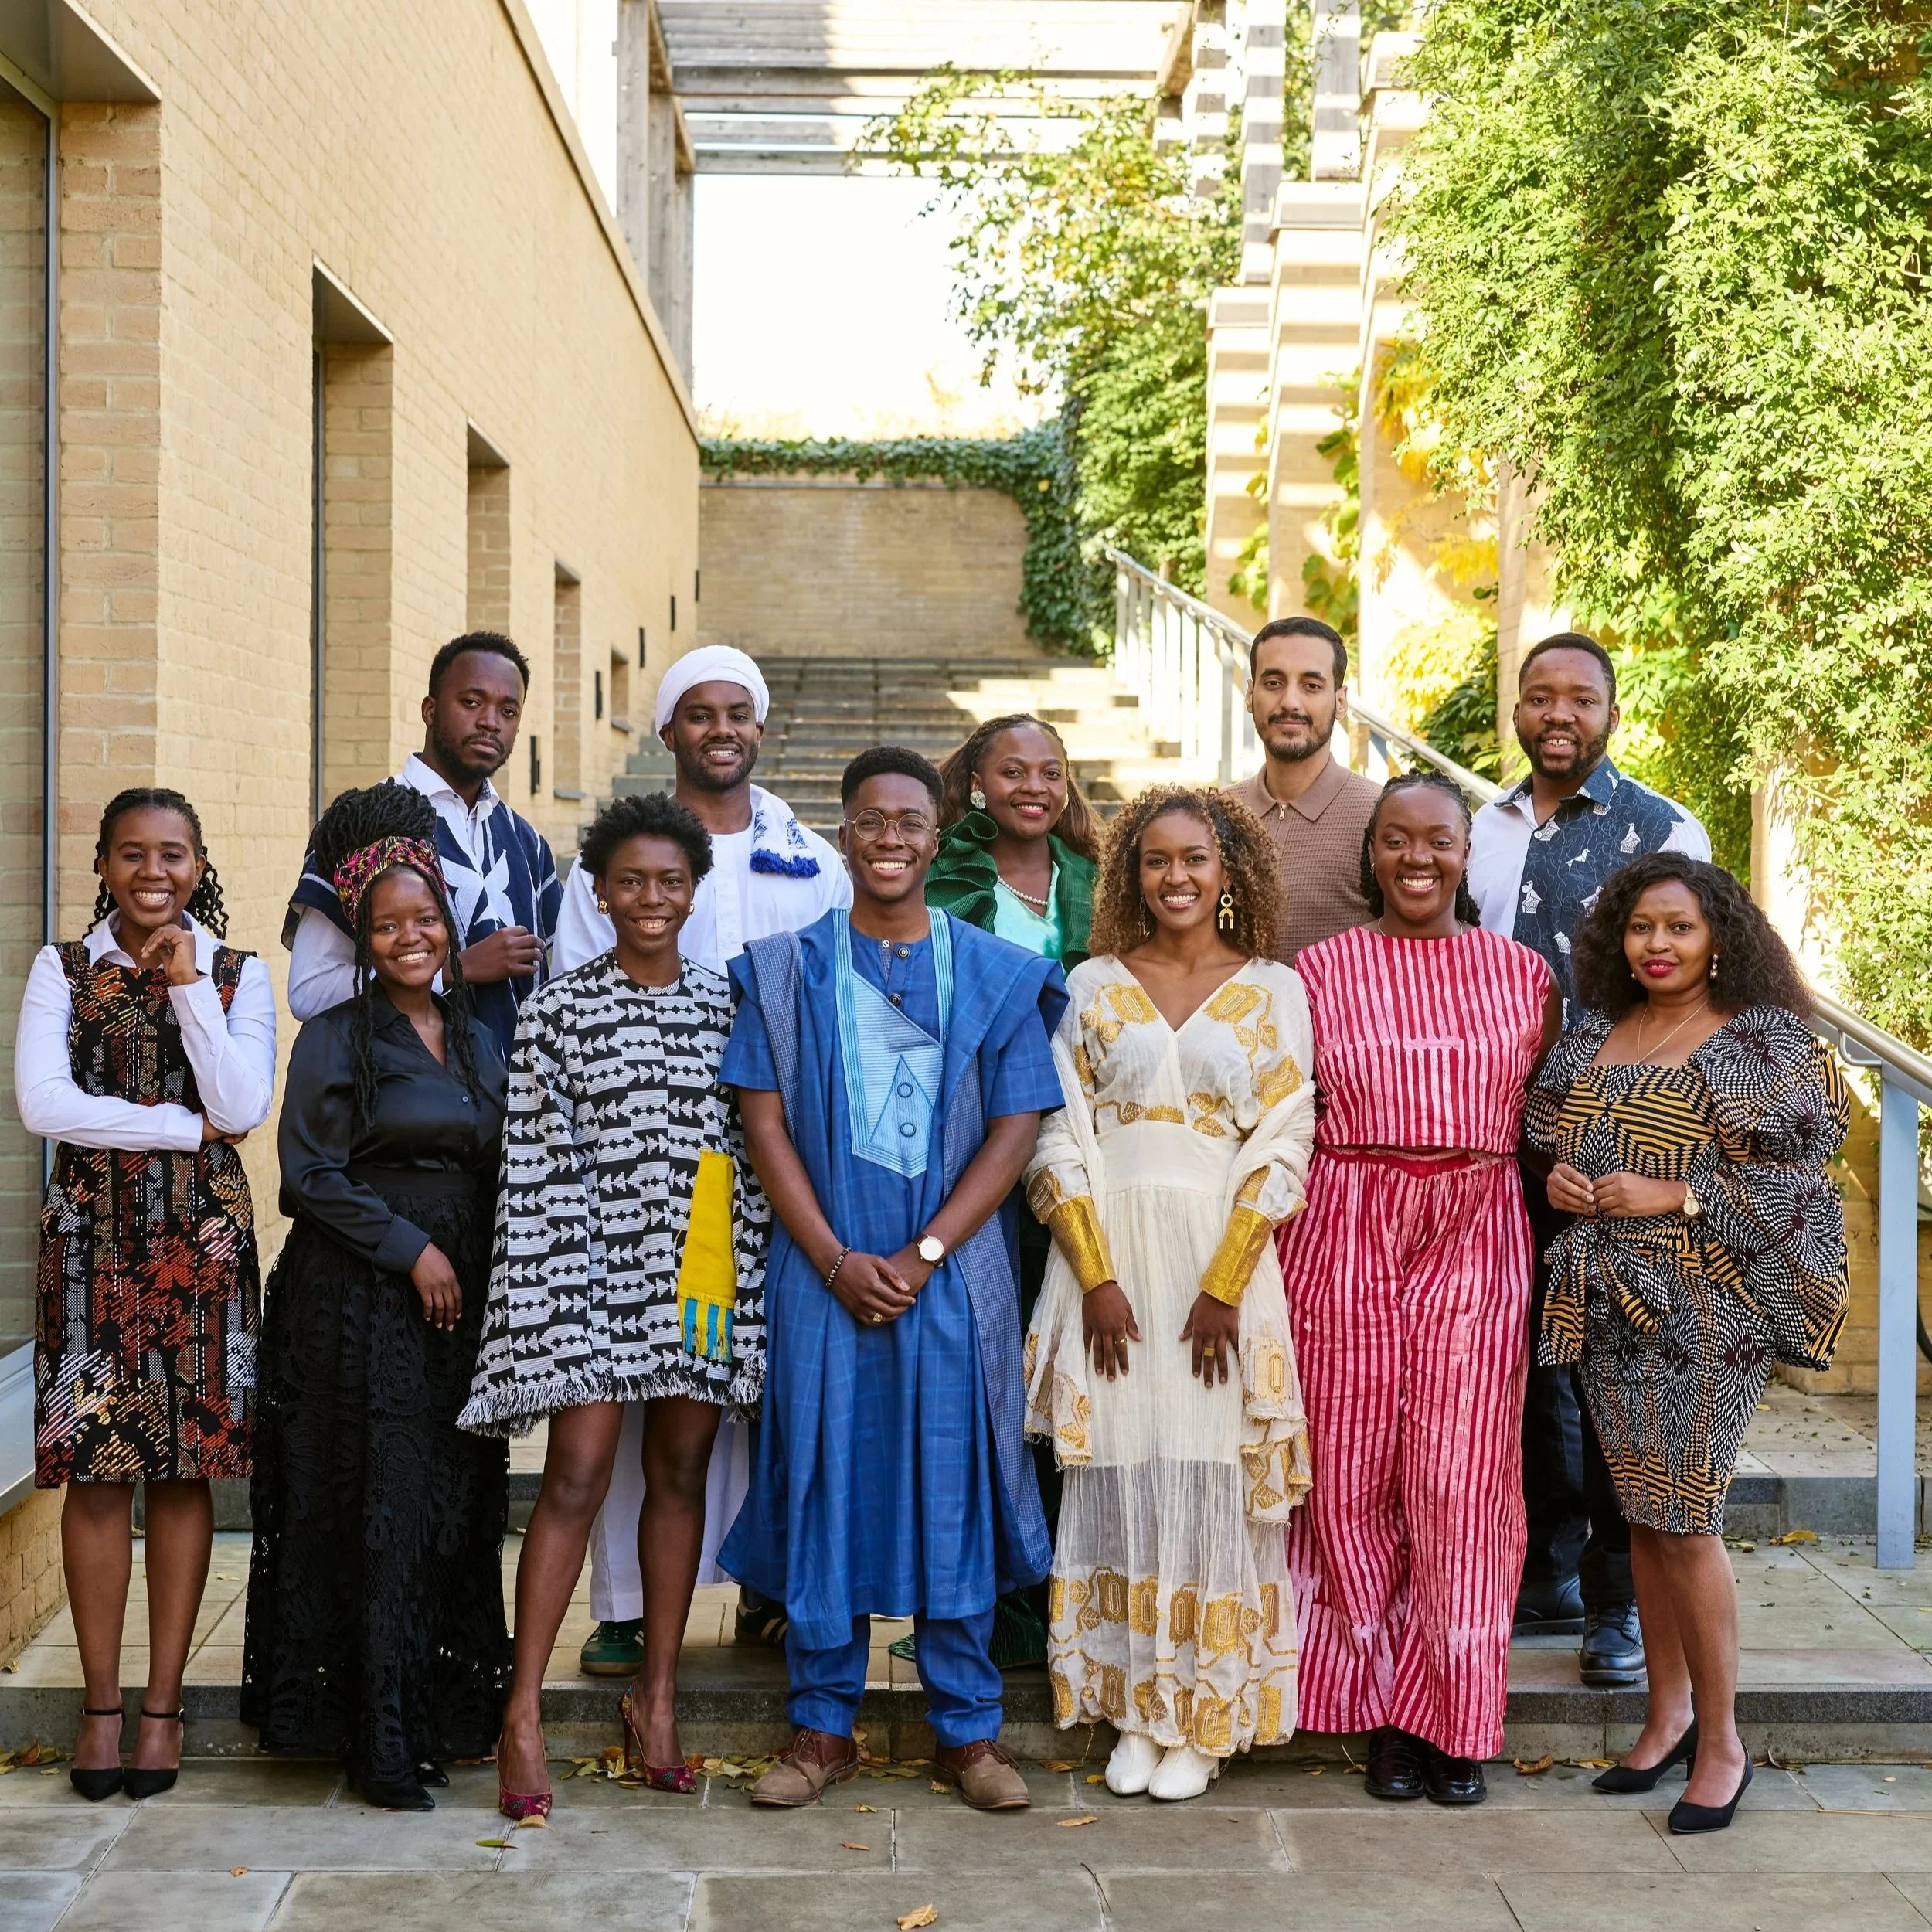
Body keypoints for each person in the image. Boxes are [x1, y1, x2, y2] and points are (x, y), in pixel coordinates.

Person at [721, 747, 1066, 1813]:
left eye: (910, 821)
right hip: (820, 1270)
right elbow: (763, 1125)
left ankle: (967, 1730)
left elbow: (1017, 1126)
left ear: (936, 835)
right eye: (871, 820)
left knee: (953, 1476)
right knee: (825, 1478)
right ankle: (822, 1725)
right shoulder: (786, 970)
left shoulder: (994, 972)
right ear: (844, 834)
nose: (890, 839)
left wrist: (925, 1253)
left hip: (950, 1278)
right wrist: (832, 1256)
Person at [460, 793, 770, 1819]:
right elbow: (536, 1167)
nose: (650, 897)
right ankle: (522, 1712)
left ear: (695, 890)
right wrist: (559, 1295)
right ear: (598, 892)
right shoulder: (557, 1009)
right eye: (630, 880)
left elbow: (748, 1159)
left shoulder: (731, 1004)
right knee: (578, 1473)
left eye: (670, 881)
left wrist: (736, 1285)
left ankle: (658, 1698)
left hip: (699, 1278)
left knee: (679, 1473)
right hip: (587, 1273)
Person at [1527, 855, 1848, 1834]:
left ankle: (1723, 1742)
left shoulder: (1757, 1039)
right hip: (1606, 1302)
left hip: (1707, 1305)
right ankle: (1665, 1715)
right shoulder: (1596, 1032)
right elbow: (1550, 1140)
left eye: (1678, 927)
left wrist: (1679, 1191)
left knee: (1686, 1514)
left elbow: (1801, 1185)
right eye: (1640, 928)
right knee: (1641, 1516)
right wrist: (1562, 1181)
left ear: (1718, 938)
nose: (1656, 945)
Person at [551, 643, 848, 1676]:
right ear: (668, 730)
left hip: (767, 1168)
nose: (721, 730)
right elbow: (577, 993)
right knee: (642, 1381)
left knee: (763, 1374)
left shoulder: (813, 860)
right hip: (639, 1168)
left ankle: (770, 1583)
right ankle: (627, 1606)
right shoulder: (616, 857)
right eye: (699, 713)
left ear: (759, 728)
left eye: (737, 714)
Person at [1024, 787, 1315, 1802]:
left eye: (1195, 858)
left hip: (1217, 1261)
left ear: (1227, 869)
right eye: (1156, 860)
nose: (1176, 876)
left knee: (1210, 1475)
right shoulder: (1092, 983)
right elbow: (1056, 1129)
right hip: (1110, 1261)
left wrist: (1225, 1284)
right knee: (1121, 1472)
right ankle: (1136, 1710)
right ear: (1130, 873)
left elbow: (1285, 1134)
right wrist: (1095, 1277)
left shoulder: (1275, 988)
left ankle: (1204, 1717)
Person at [1279, 771, 1557, 1808]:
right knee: (1347, 1473)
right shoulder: (1316, 971)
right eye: (1396, 838)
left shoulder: (1522, 974)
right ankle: (1385, 1714)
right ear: (1371, 852)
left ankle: (1456, 1717)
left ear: (1464, 853)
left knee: (1459, 1478)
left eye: (1437, 839)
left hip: (1476, 1225)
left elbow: (1551, 1115)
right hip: (1342, 1219)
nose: (1417, 857)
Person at [243, 784, 511, 1811]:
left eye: (425, 919)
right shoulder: (337, 1034)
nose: (410, 937)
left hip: (458, 1308)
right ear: (363, 936)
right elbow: (308, 1175)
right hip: (359, 1302)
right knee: (377, 1509)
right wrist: (414, 1252)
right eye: (388, 924)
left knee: (446, 1507)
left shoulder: (474, 1034)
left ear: (448, 925)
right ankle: (377, 1739)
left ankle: (440, 1715)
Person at [19, 790, 274, 1801]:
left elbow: (243, 1103)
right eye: (132, 853)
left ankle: (161, 1708)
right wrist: (180, 1128)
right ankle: (99, 1706)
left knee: (182, 1472)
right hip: (89, 1245)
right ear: (103, 865)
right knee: (94, 1474)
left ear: (199, 863)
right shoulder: (61, 969)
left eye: (172, 854)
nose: (153, 872)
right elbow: (44, 1104)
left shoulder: (236, 973)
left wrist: (187, 990)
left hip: (201, 1249)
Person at [1468, 631, 1713, 1688]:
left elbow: (1707, 977)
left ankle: (1618, 1604)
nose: (1558, 714)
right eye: (1539, 696)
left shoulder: (1664, 829)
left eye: (1580, 698)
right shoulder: (1479, 829)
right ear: (1516, 709)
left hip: (1628, 1145)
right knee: (1524, 1366)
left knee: (1618, 1373)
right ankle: (1544, 1571)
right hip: (1498, 1138)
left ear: (1612, 712)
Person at [925, 713, 1099, 1669]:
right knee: (987, 1368)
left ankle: (1065, 1583)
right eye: (1012, 770)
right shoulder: (945, 875)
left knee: (1061, 1359)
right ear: (976, 783)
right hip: (974, 1147)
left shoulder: (1099, 880)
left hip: (1082, 1143)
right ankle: (993, 1599)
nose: (1033, 786)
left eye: (1050, 770)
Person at [284, 629, 561, 1060]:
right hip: (401, 1091)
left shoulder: (529, 845)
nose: (491, 721)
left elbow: (557, 982)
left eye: (508, 711)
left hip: (519, 1094)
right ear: (430, 710)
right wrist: (453, 970)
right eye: (471, 702)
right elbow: (309, 991)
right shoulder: (363, 824)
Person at [1226, 615, 1379, 964]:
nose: (1290, 702)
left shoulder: (1381, 816)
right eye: (1273, 683)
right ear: (1250, 694)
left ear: (1341, 701)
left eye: (1311, 686)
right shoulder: (1212, 815)